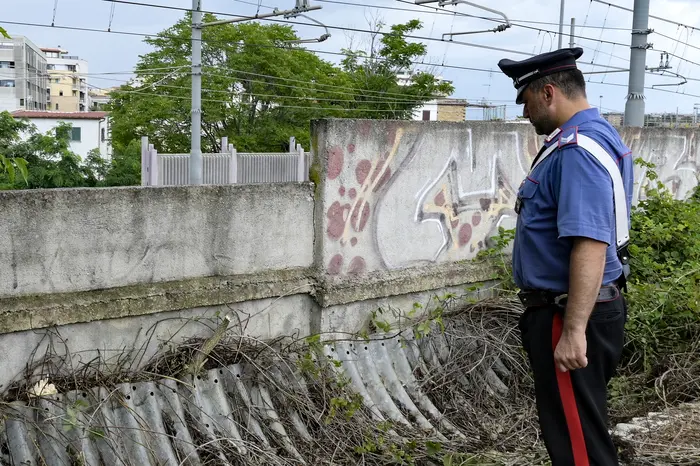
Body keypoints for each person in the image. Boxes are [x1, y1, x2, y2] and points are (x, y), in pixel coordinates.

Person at [497, 48, 634, 466]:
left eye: (525, 102)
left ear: (548, 92)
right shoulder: (600, 135)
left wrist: (573, 332)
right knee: (582, 432)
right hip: (581, 308)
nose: (525, 114)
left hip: (568, 313)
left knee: (579, 448)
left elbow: (590, 244)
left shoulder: (576, 150)